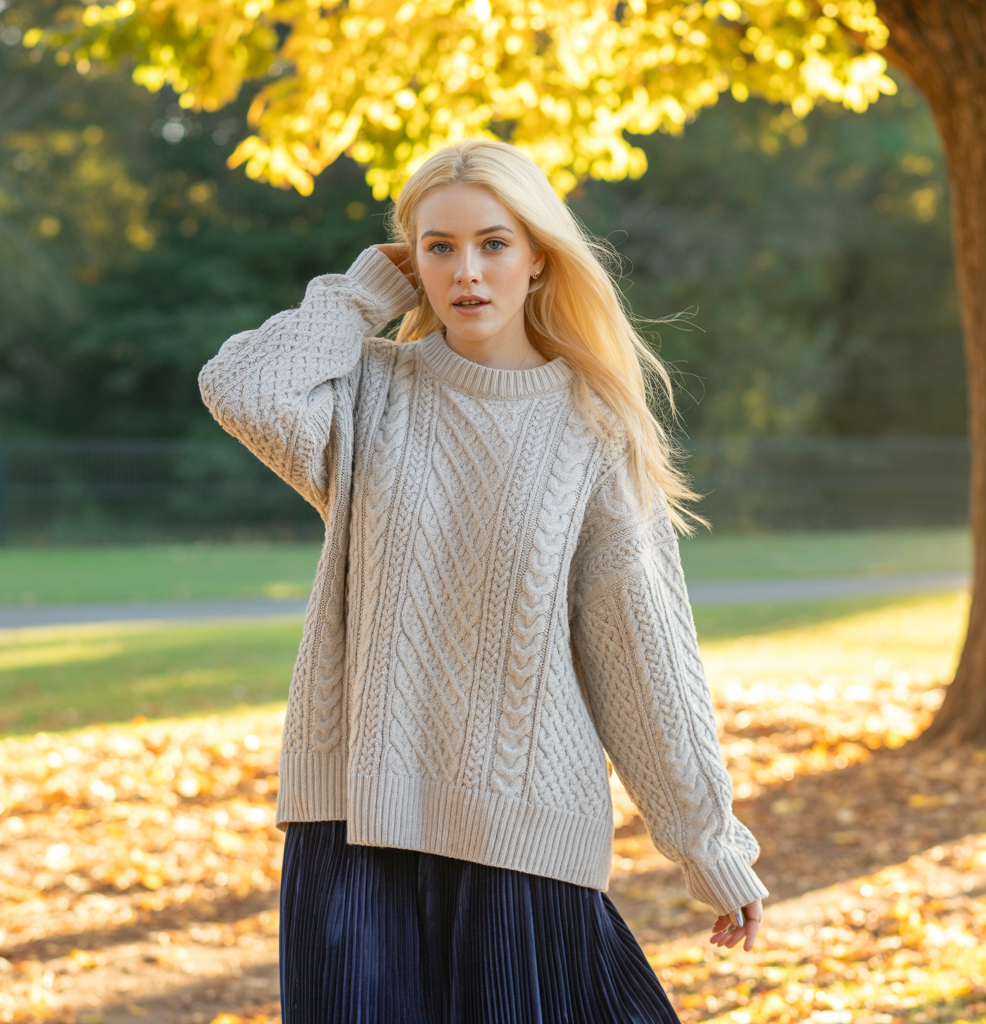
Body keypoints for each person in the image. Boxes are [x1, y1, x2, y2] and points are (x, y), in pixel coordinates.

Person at [199, 139, 767, 1023]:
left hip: (521, 838)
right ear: (410, 260)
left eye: (494, 243)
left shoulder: (593, 425)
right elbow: (241, 387)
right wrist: (359, 295)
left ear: (539, 256)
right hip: (354, 826)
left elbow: (642, 656)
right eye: (439, 247)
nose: (467, 270)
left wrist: (708, 845)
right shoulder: (368, 392)